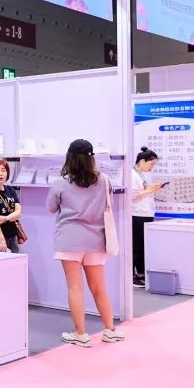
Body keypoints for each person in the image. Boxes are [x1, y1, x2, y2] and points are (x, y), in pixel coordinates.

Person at [46, 139, 124, 347]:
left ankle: (81, 334)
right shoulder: (104, 180)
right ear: (92, 158)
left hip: (69, 239)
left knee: (75, 287)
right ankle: (110, 330)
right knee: (99, 287)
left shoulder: (60, 182)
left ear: (69, 157)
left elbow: (51, 207)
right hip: (96, 240)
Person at [130, 147, 160, 288]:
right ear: (142, 161)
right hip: (137, 214)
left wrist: (151, 189)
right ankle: (134, 276)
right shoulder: (132, 175)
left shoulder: (140, 174)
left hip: (145, 213)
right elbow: (133, 196)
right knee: (137, 246)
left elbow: (142, 192)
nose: (152, 167)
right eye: (151, 164)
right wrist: (150, 190)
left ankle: (141, 274)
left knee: (142, 246)